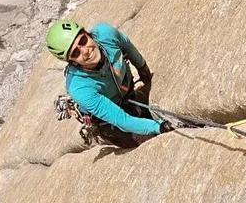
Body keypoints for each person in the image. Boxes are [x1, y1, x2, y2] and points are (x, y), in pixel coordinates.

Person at [45, 18, 172, 147]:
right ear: (73, 62)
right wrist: (160, 127)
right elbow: (122, 120)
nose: (85, 51)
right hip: (109, 121)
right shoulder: (80, 88)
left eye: (83, 41)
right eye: (76, 53)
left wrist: (143, 70)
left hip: (126, 91)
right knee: (137, 139)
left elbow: (128, 46)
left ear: (88, 34)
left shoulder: (106, 35)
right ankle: (104, 136)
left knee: (142, 110)